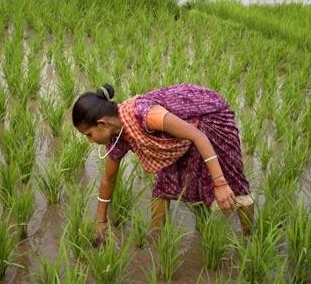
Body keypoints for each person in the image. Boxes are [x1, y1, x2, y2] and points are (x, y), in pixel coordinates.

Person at [72, 83, 254, 242]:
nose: (90, 140)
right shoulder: (117, 136)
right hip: (175, 139)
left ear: (102, 124)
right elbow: (108, 180)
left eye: (89, 134)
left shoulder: (144, 114)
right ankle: (158, 242)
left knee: (232, 183)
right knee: (164, 187)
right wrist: (101, 221)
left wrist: (220, 183)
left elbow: (197, 136)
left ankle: (249, 240)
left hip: (209, 120)